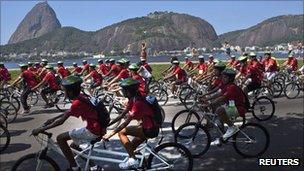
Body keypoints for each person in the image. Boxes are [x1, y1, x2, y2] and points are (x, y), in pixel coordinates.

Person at [32, 75, 106, 171]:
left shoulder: (77, 102)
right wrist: (53, 118)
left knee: (60, 138)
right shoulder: (82, 96)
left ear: (70, 91)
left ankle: (75, 168)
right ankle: (94, 166)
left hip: (93, 130)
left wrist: (41, 129)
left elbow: (61, 121)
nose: (64, 93)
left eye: (64, 91)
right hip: (98, 128)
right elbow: (68, 112)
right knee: (73, 146)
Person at [103, 78, 159, 169]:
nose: (122, 92)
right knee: (131, 148)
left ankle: (133, 159)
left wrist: (110, 134)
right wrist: (106, 125)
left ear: (128, 91)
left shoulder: (137, 103)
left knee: (121, 132)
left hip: (150, 129)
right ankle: (143, 165)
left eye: (123, 90)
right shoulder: (133, 99)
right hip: (146, 127)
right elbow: (121, 115)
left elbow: (125, 123)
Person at [202, 68, 246, 146]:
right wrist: (205, 97)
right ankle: (223, 136)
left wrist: (210, 104)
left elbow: (222, 98)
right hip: (232, 106)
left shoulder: (231, 87)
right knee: (219, 114)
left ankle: (232, 127)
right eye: (223, 77)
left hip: (239, 108)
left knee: (219, 110)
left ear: (230, 79)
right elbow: (218, 94)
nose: (223, 78)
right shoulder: (227, 85)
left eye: (225, 77)